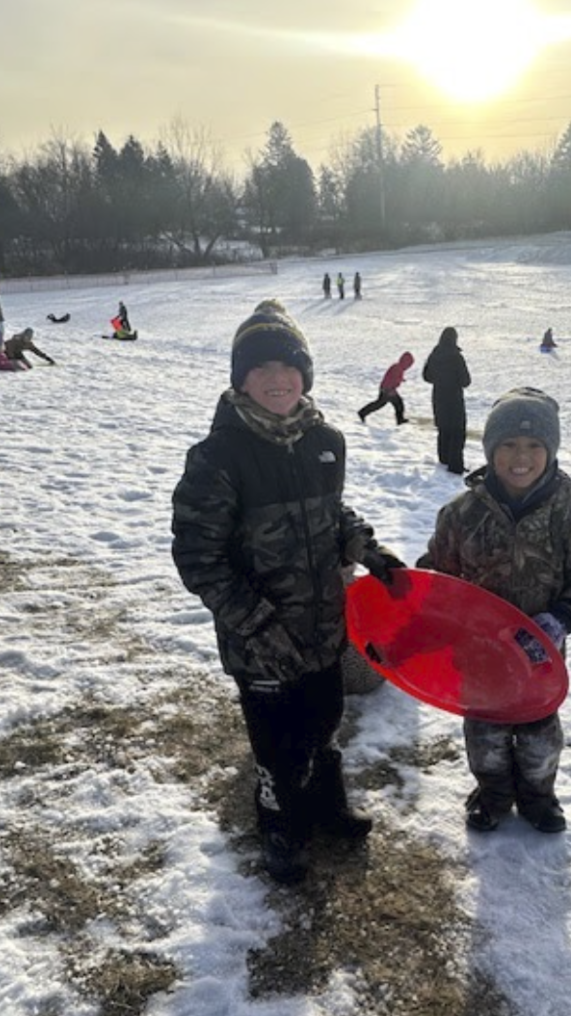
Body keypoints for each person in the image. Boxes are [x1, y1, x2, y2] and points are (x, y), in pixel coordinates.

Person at [172, 299, 405, 885]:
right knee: (277, 742)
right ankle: (279, 820)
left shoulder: (324, 440)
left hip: (324, 623)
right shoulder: (217, 457)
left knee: (324, 717)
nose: (277, 380)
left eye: (288, 368)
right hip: (261, 639)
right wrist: (256, 622)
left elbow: (333, 513)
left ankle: (325, 802)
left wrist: (366, 549)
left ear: (305, 376)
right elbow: (198, 557)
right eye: (260, 370)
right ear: (240, 381)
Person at [419, 387, 571, 834]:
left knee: (539, 737)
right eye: (507, 445)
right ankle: (492, 794)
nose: (519, 457)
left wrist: (563, 616)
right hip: (478, 655)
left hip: (540, 656)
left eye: (533, 446)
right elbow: (439, 576)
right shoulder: (461, 514)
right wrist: (421, 609)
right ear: (490, 450)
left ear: (550, 451)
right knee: (484, 736)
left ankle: (538, 796)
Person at [422, 326, 471, 475]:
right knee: (457, 431)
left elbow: (426, 376)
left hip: (438, 397)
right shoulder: (456, 356)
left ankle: (443, 459)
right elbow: (465, 381)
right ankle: (455, 466)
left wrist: (439, 379)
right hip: (454, 398)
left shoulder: (434, 354)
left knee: (443, 429)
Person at [358, 352, 414, 425]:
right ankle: (362, 412)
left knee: (386, 403)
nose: (409, 367)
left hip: (387, 389)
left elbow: (392, 377)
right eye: (409, 365)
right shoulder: (397, 368)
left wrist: (400, 379)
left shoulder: (398, 367)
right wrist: (390, 390)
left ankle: (362, 412)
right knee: (394, 403)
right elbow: (391, 380)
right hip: (387, 389)